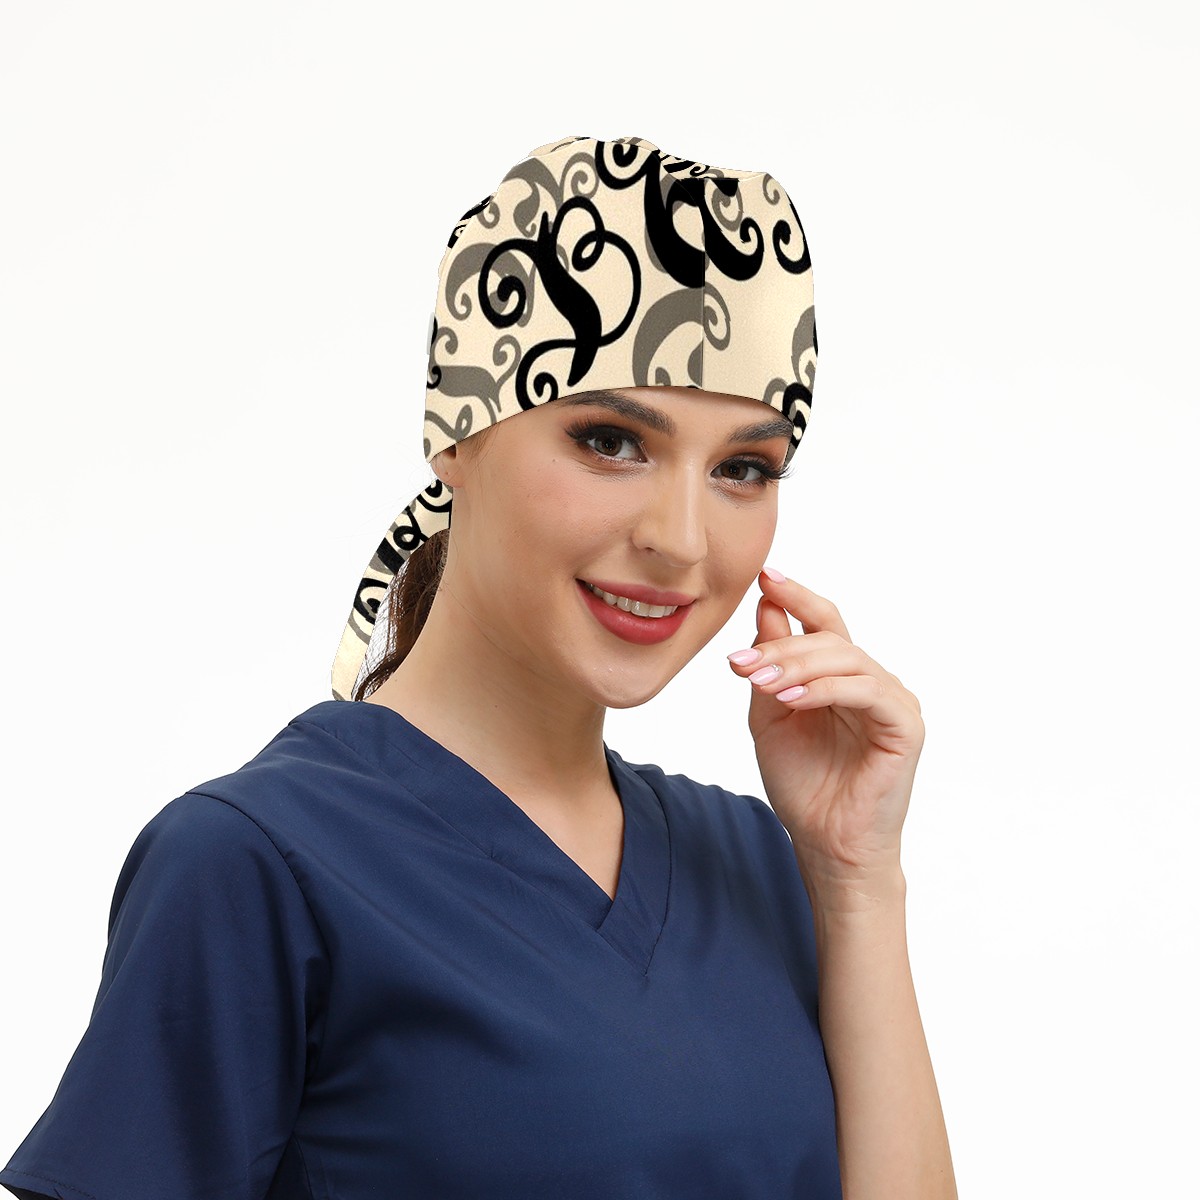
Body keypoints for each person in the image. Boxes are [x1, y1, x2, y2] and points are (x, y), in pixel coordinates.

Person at [1, 134, 957, 1200]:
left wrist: (856, 878)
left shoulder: (752, 860)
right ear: (457, 433)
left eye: (743, 467)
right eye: (611, 441)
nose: (682, 540)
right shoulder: (253, 865)